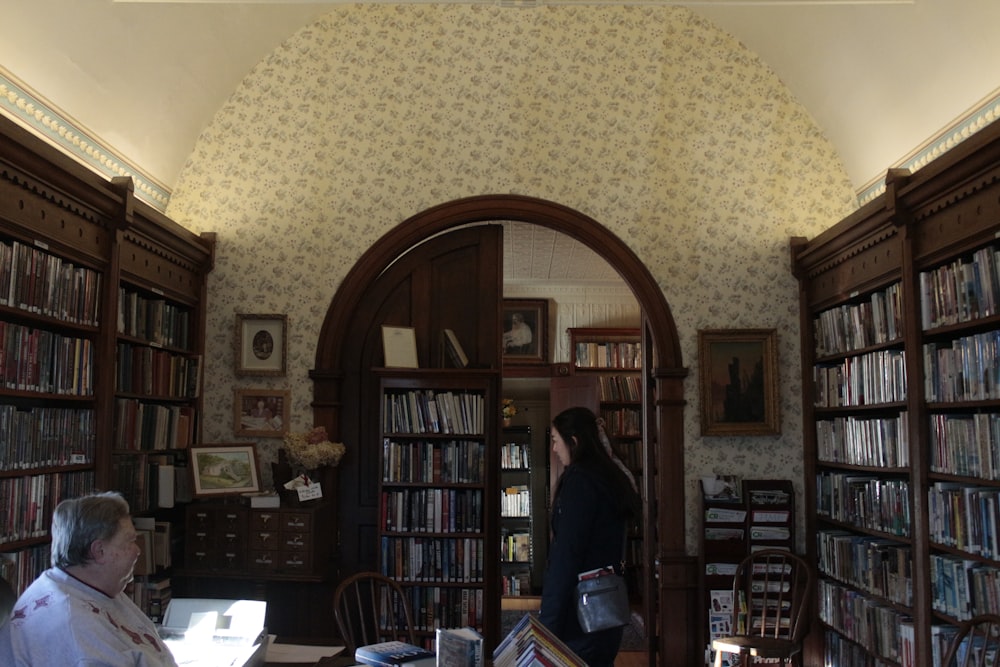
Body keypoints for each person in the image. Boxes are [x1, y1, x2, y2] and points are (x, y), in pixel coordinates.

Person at [0, 492, 178, 666]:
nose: (137, 551)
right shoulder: (71, 623)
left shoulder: (88, 585)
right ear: (99, 551)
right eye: (129, 541)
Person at [539, 407, 643, 667]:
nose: (554, 449)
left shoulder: (580, 482)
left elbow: (566, 555)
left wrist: (547, 624)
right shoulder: (611, 477)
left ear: (573, 441)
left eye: (555, 440)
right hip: (605, 608)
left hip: (579, 614)